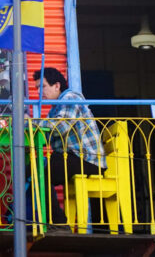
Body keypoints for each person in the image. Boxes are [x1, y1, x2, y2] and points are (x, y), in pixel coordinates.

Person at [32, 67, 105, 228]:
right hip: (72, 158)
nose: (39, 92)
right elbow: (47, 136)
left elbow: (61, 127)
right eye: (37, 88)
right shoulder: (54, 109)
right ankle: (30, 220)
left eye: (42, 86)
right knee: (33, 168)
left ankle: (57, 223)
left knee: (40, 170)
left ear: (57, 85)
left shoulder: (70, 97)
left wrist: (30, 122)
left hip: (87, 160)